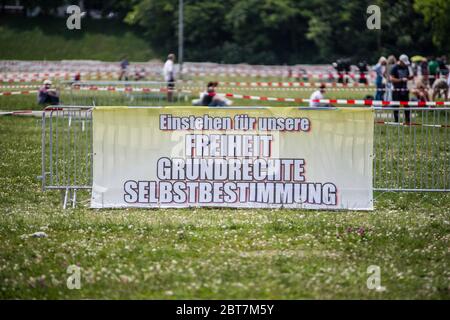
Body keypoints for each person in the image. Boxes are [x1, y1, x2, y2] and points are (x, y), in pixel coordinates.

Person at [390, 54, 413, 124]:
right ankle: (396, 121)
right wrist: (401, 80)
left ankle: (407, 121)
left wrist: (410, 78)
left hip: (405, 90)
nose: (405, 64)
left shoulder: (406, 67)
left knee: (407, 106)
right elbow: (391, 79)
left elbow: (408, 76)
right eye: (404, 63)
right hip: (396, 90)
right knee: (396, 106)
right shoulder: (394, 68)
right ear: (400, 61)